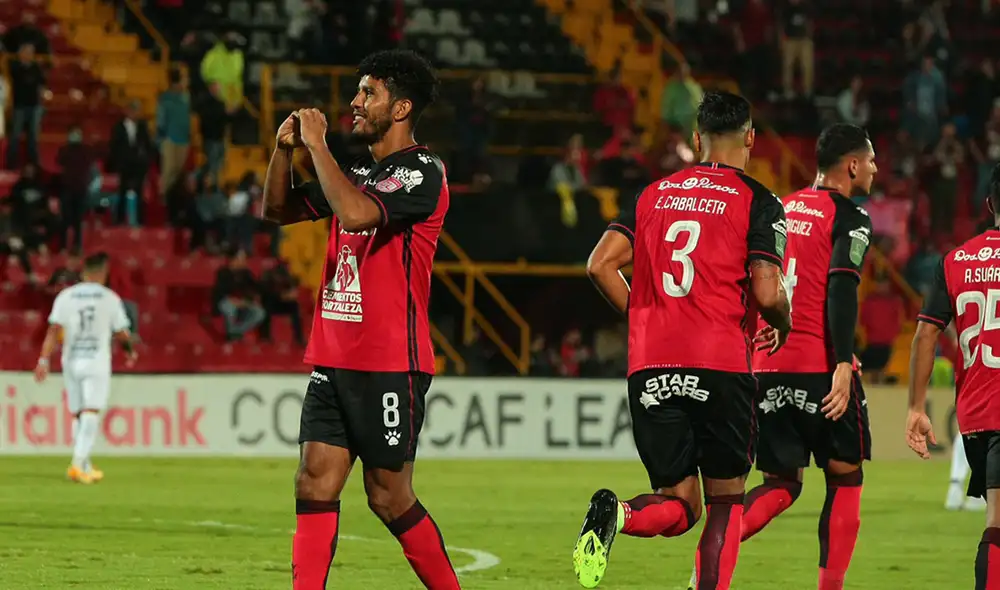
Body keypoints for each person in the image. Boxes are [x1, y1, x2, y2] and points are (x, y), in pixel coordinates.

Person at [575, 91, 792, 590]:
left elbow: (599, 264)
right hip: (720, 363)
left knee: (679, 504)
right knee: (724, 504)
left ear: (697, 139)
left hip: (651, 365)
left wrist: (646, 318)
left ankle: (619, 514)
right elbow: (766, 290)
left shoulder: (653, 194)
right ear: (751, 138)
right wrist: (783, 318)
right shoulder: (759, 200)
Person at [259, 49, 458, 590]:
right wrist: (283, 152)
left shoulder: (423, 172)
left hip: (389, 361)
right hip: (335, 355)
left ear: (401, 108)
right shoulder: (359, 173)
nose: (355, 102)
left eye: (369, 92)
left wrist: (318, 145)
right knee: (313, 482)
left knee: (388, 497)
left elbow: (356, 213)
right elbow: (277, 211)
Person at [696, 124, 876, 590]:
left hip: (766, 366)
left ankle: (708, 568)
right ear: (852, 165)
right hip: (820, 367)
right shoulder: (851, 217)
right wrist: (842, 362)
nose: (875, 169)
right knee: (845, 478)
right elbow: (841, 286)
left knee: (780, 483)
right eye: (871, 160)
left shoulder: (778, 207)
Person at [907, 162, 1000, 589]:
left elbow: (926, 333)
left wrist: (915, 406)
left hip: (977, 414)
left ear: (989, 204)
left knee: (995, 522)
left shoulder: (955, 261)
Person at [34, 252, 137, 484]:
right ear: (104, 273)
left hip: (71, 361)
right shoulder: (110, 298)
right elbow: (122, 333)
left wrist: (43, 360)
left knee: (78, 413)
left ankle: (85, 464)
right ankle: (77, 463)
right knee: (91, 411)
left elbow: (53, 330)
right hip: (96, 361)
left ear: (83, 273)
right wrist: (130, 350)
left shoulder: (66, 296)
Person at [212, 248, 265, 342]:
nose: (245, 262)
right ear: (234, 260)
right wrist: (234, 300)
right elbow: (220, 292)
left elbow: (255, 287)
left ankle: (236, 332)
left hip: (242, 301)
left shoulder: (246, 273)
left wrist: (255, 297)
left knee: (260, 313)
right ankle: (232, 335)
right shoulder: (223, 272)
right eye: (242, 259)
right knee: (229, 308)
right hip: (226, 301)